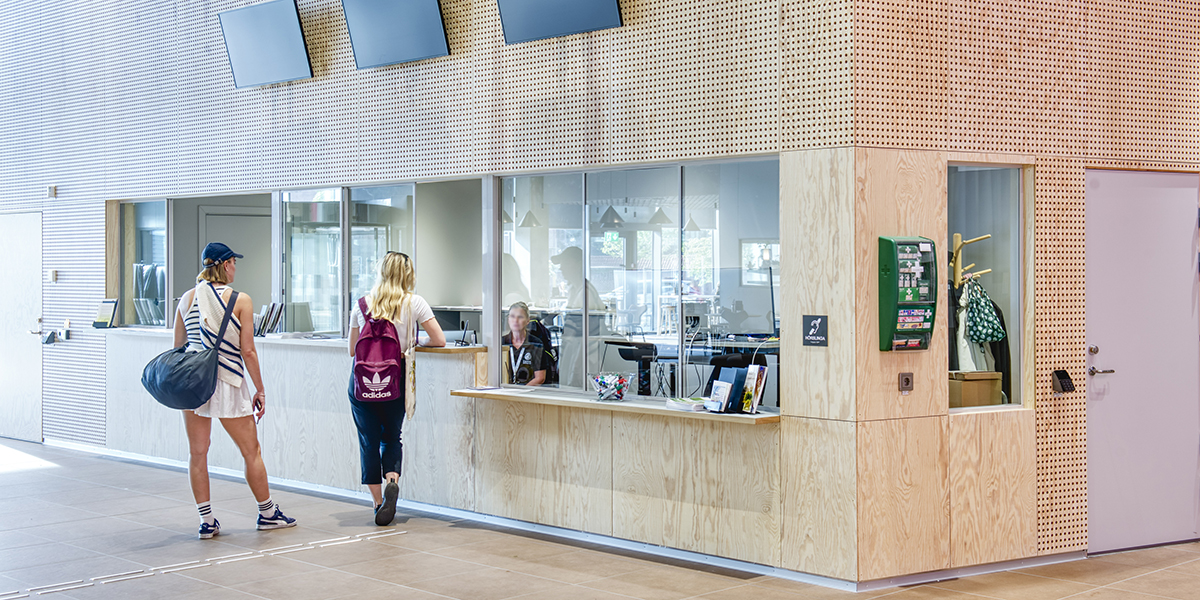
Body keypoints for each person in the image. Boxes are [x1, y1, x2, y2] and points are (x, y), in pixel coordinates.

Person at [173, 242, 296, 540]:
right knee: (251, 451)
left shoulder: (187, 299)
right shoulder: (241, 300)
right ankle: (268, 514)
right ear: (226, 264)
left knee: (197, 453)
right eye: (234, 263)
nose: (235, 268)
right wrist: (260, 389)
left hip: (193, 385)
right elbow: (248, 351)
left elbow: (177, 348)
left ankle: (207, 521)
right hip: (227, 382)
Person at [348, 251, 445, 526]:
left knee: (368, 441)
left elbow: (351, 349)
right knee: (391, 437)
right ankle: (392, 479)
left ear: (380, 271)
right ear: (407, 275)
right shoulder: (414, 302)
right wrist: (415, 342)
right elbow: (439, 339)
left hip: (362, 383)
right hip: (395, 380)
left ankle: (378, 503)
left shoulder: (362, 304)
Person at [550, 246, 607, 388]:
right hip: (574, 352)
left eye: (565, 263)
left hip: (583, 355)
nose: (561, 268)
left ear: (577, 264)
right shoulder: (574, 289)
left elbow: (583, 333)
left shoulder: (585, 293)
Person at [502, 302, 546, 386]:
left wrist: (521, 391)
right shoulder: (501, 343)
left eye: (520, 317)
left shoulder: (536, 343)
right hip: (504, 390)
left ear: (527, 321)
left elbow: (540, 378)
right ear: (508, 319)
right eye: (512, 316)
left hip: (528, 391)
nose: (516, 320)